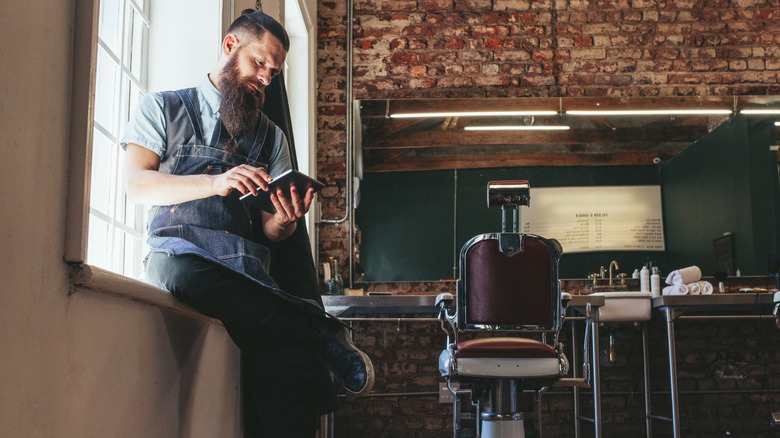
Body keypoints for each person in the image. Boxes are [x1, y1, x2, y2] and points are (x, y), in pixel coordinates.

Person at [121, 10, 374, 437]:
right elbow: (136, 185)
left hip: (245, 269)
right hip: (178, 254)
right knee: (191, 274)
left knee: (287, 367)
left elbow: (271, 232)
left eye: (273, 73)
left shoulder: (271, 137)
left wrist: (286, 221)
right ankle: (321, 331)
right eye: (259, 63)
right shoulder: (160, 106)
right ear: (229, 46)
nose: (265, 78)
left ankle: (309, 342)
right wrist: (216, 182)